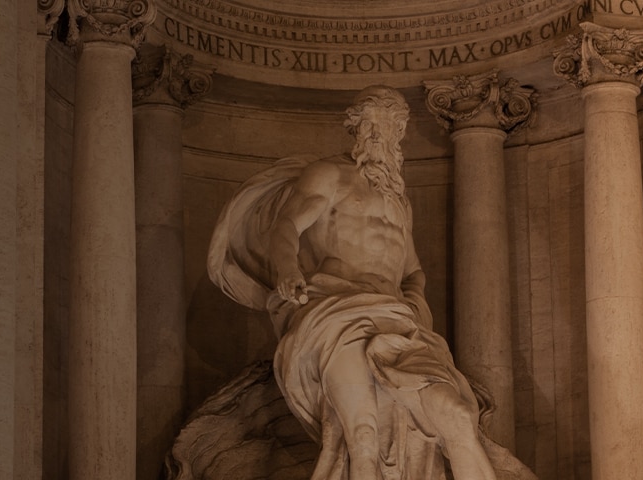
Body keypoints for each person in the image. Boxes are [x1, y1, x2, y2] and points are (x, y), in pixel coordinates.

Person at [208, 86, 531, 479]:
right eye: (370, 124)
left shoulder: (398, 199)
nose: (379, 133)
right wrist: (288, 270)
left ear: (400, 132)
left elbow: (412, 270)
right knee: (362, 437)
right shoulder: (329, 174)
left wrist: (414, 303)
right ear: (355, 128)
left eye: (389, 125)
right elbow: (287, 226)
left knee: (458, 415)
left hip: (397, 322)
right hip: (336, 314)